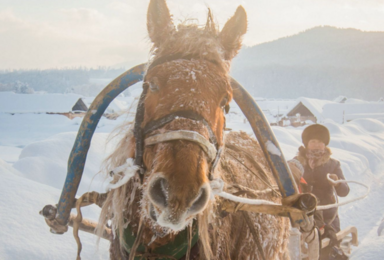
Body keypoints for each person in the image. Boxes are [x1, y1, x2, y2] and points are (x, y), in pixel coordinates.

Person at [292, 124, 350, 260]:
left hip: (328, 217)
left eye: (320, 142)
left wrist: (337, 182)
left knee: (328, 251)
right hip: (302, 216)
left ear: (325, 144)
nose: (317, 145)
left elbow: (344, 191)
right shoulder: (295, 164)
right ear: (307, 144)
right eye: (313, 141)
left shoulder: (333, 164)